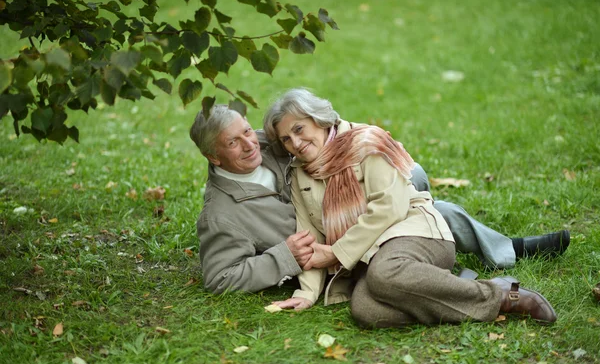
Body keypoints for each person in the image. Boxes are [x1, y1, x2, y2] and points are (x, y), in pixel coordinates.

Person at [189, 104, 569, 296]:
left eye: (246, 131)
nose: (249, 144)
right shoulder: (220, 215)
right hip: (326, 253)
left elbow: (317, 134)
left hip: (344, 209)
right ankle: (477, 273)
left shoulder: (271, 141)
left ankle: (506, 248)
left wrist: (369, 155)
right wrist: (284, 255)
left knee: (411, 187)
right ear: (213, 157)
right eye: (234, 143)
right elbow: (221, 278)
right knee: (410, 212)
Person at [262, 88, 557, 326]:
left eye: (299, 129)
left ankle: (506, 296)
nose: (296, 143)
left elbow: (389, 208)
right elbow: (310, 239)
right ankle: (447, 286)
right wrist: (307, 293)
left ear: (320, 118)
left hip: (416, 232)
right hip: (371, 255)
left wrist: (337, 253)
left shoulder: (365, 142)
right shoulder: (300, 174)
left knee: (384, 274)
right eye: (287, 139)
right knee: (366, 310)